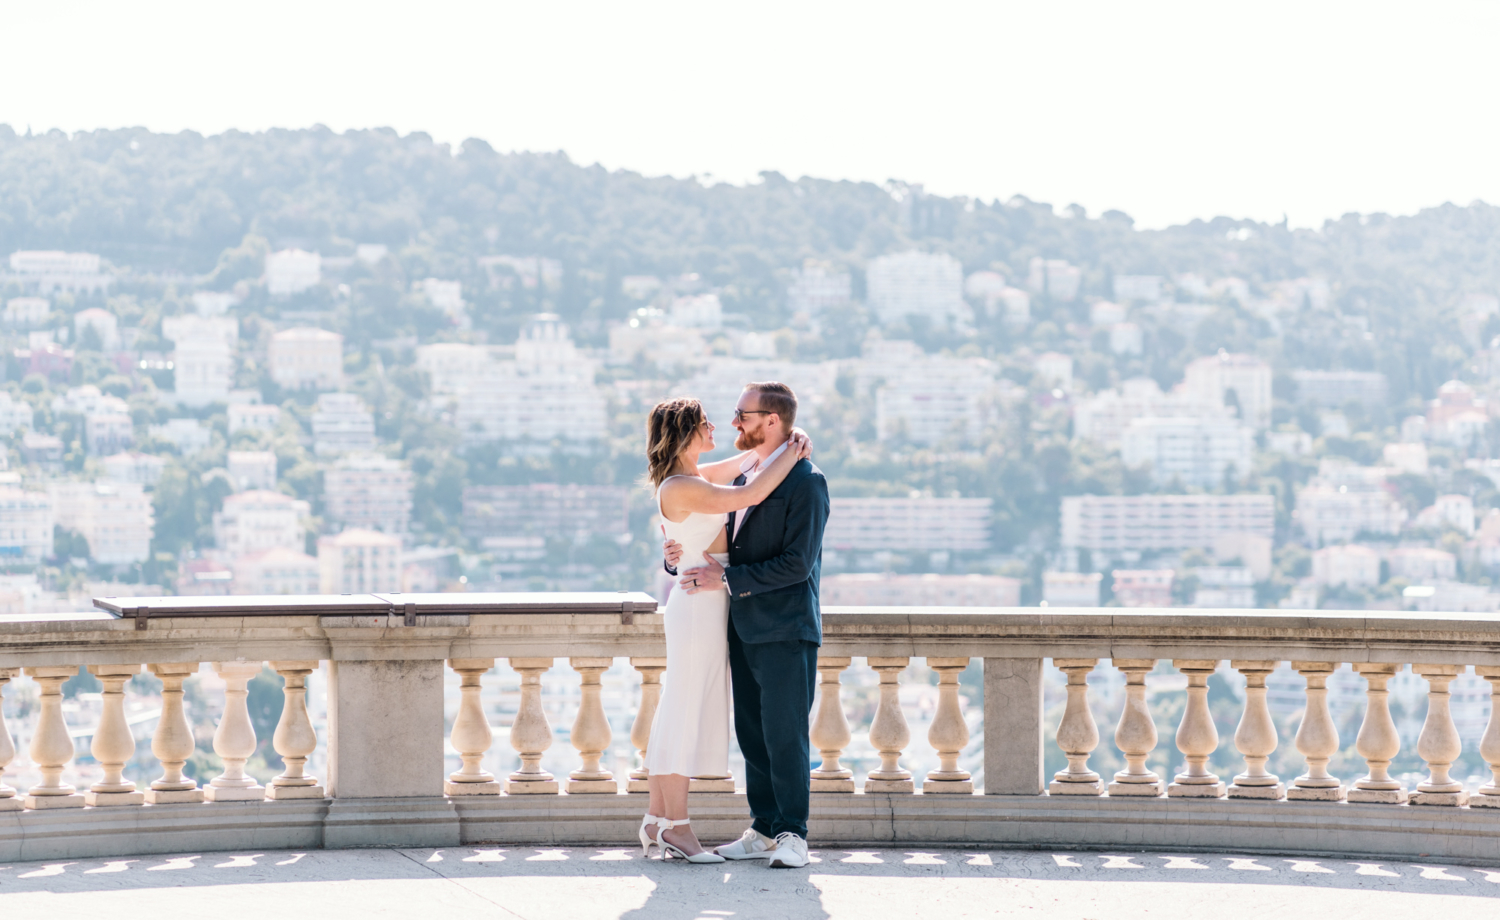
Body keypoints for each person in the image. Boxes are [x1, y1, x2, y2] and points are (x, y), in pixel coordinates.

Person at [640, 395, 812, 863]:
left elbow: (747, 462)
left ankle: (658, 819)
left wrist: (787, 444)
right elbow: (749, 494)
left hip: (707, 602)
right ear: (685, 432)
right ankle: (676, 827)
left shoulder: (693, 477)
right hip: (699, 606)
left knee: (680, 708)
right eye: (705, 422)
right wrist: (793, 454)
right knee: (683, 711)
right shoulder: (682, 485)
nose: (717, 425)